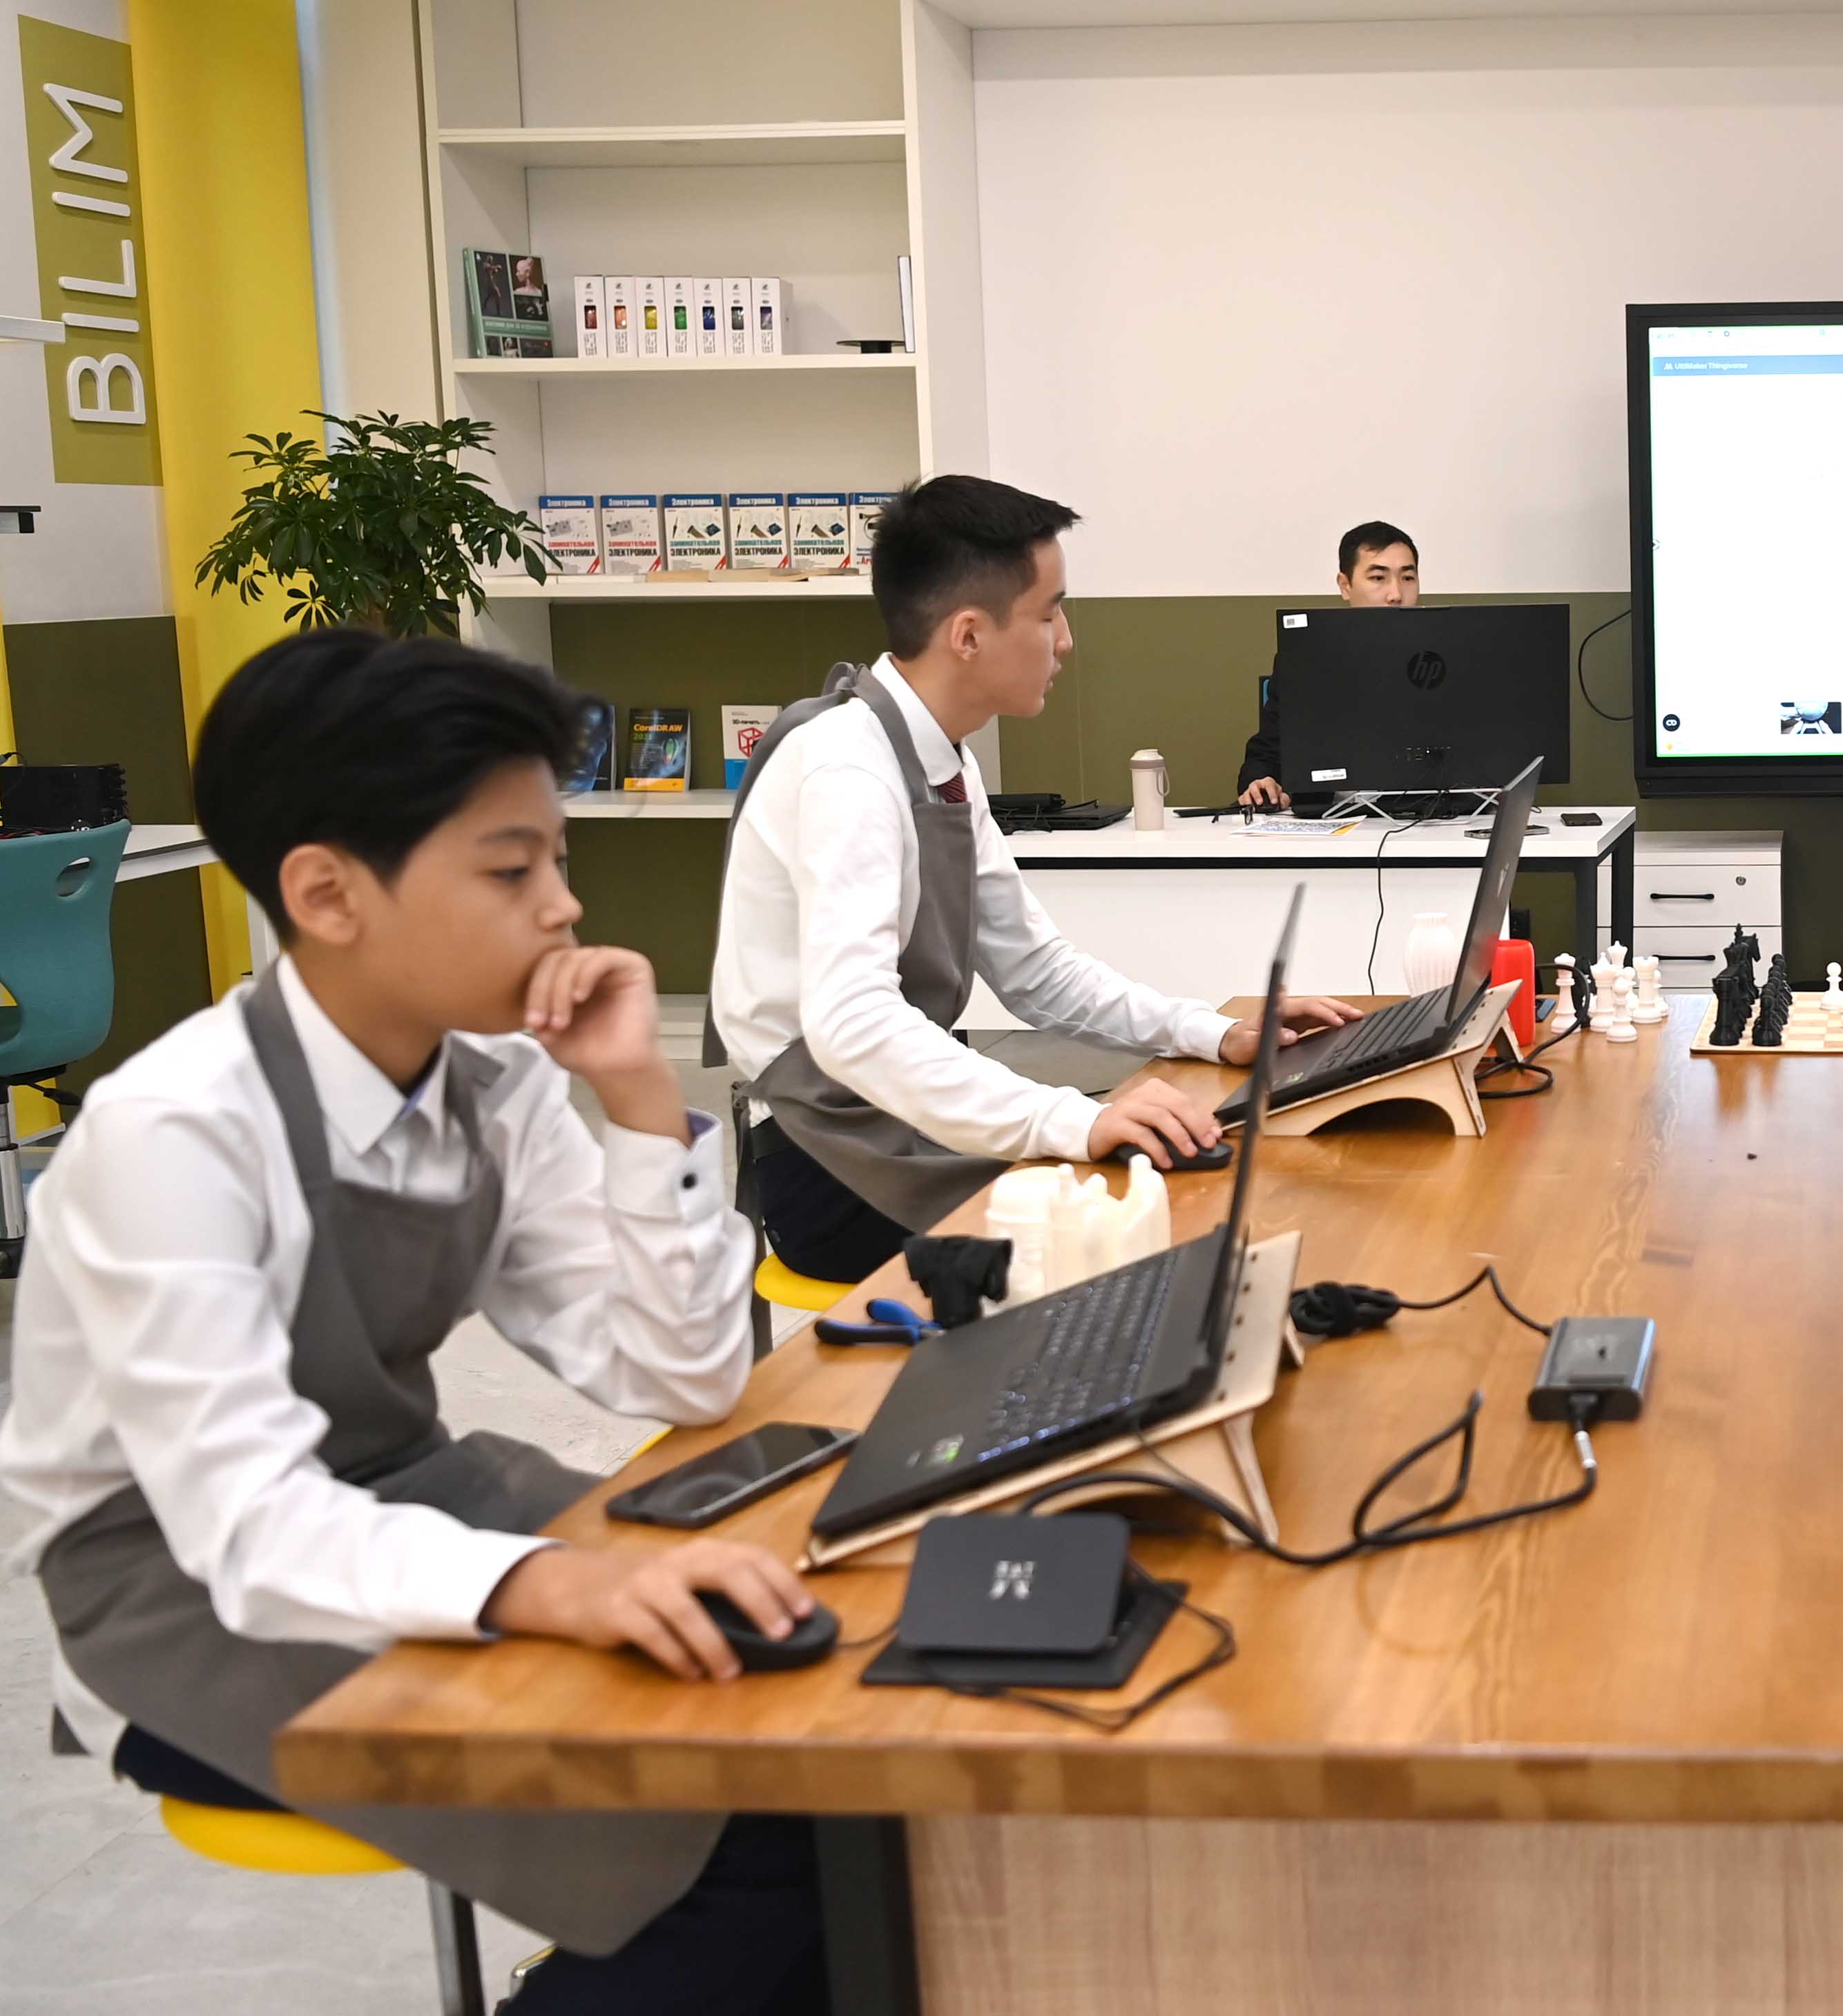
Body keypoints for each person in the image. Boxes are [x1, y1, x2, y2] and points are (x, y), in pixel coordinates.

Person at [0, 630, 831, 2011]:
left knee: (819, 1717)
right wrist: (551, 1585)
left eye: (558, 859)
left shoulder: (495, 1077)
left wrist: (638, 1100)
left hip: (409, 1490)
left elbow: (677, 1373)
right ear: (327, 892)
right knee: (733, 1835)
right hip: (180, 1582)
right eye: (511, 870)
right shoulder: (174, 1129)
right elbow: (246, 1526)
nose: (564, 906)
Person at [710, 475, 1355, 1282]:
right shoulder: (848, 769)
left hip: (901, 1114)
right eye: (1050, 613)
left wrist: (1210, 1031)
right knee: (1143, 1222)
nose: (1066, 640)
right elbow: (854, 1026)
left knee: (1187, 1175)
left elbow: (1034, 970)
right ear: (968, 635)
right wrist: (1072, 1119)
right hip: (827, 1162)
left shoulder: (942, 755)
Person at [1237, 519, 1421, 807]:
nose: (1396, 595)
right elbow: (1267, 752)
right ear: (1345, 585)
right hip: (1332, 819)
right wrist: (1262, 780)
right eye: (1378, 578)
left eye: (1408, 578)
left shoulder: (1444, 658)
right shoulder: (1306, 659)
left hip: (1433, 818)